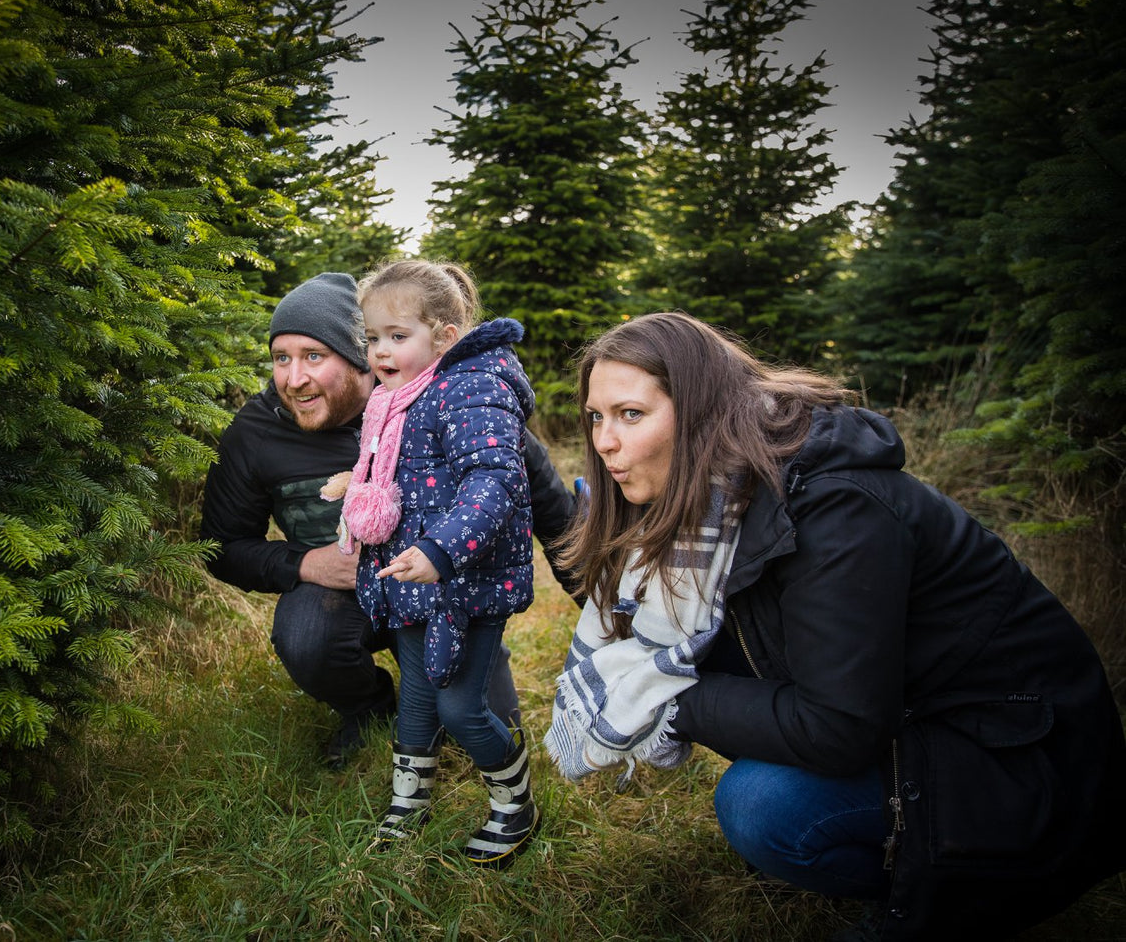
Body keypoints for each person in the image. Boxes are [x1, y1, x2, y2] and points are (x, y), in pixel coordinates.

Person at [545, 311, 1126, 939]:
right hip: (911, 721)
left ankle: (945, 895)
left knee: (761, 804)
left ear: (703, 410)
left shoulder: (836, 504)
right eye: (596, 418)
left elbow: (839, 727)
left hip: (1019, 760)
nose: (604, 442)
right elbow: (631, 619)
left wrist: (664, 699)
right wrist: (533, 482)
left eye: (630, 414)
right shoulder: (714, 502)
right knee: (699, 676)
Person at [198, 271, 579, 771]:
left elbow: (536, 496)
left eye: (314, 356)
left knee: (485, 726)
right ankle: (369, 708)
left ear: (362, 358)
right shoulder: (255, 433)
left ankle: (456, 700)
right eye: (281, 358)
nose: (293, 379)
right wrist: (307, 563)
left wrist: (595, 598)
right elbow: (220, 547)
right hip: (343, 597)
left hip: (441, 589)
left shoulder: (443, 397)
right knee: (307, 634)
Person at [343, 260, 539, 867]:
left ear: (445, 336)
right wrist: (351, 483)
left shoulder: (473, 386)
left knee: (459, 705)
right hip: (408, 580)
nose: (380, 351)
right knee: (418, 698)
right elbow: (409, 473)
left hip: (465, 583)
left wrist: (442, 549)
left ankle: (516, 804)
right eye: (373, 338)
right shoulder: (397, 400)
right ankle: (409, 799)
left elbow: (494, 478)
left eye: (398, 337)